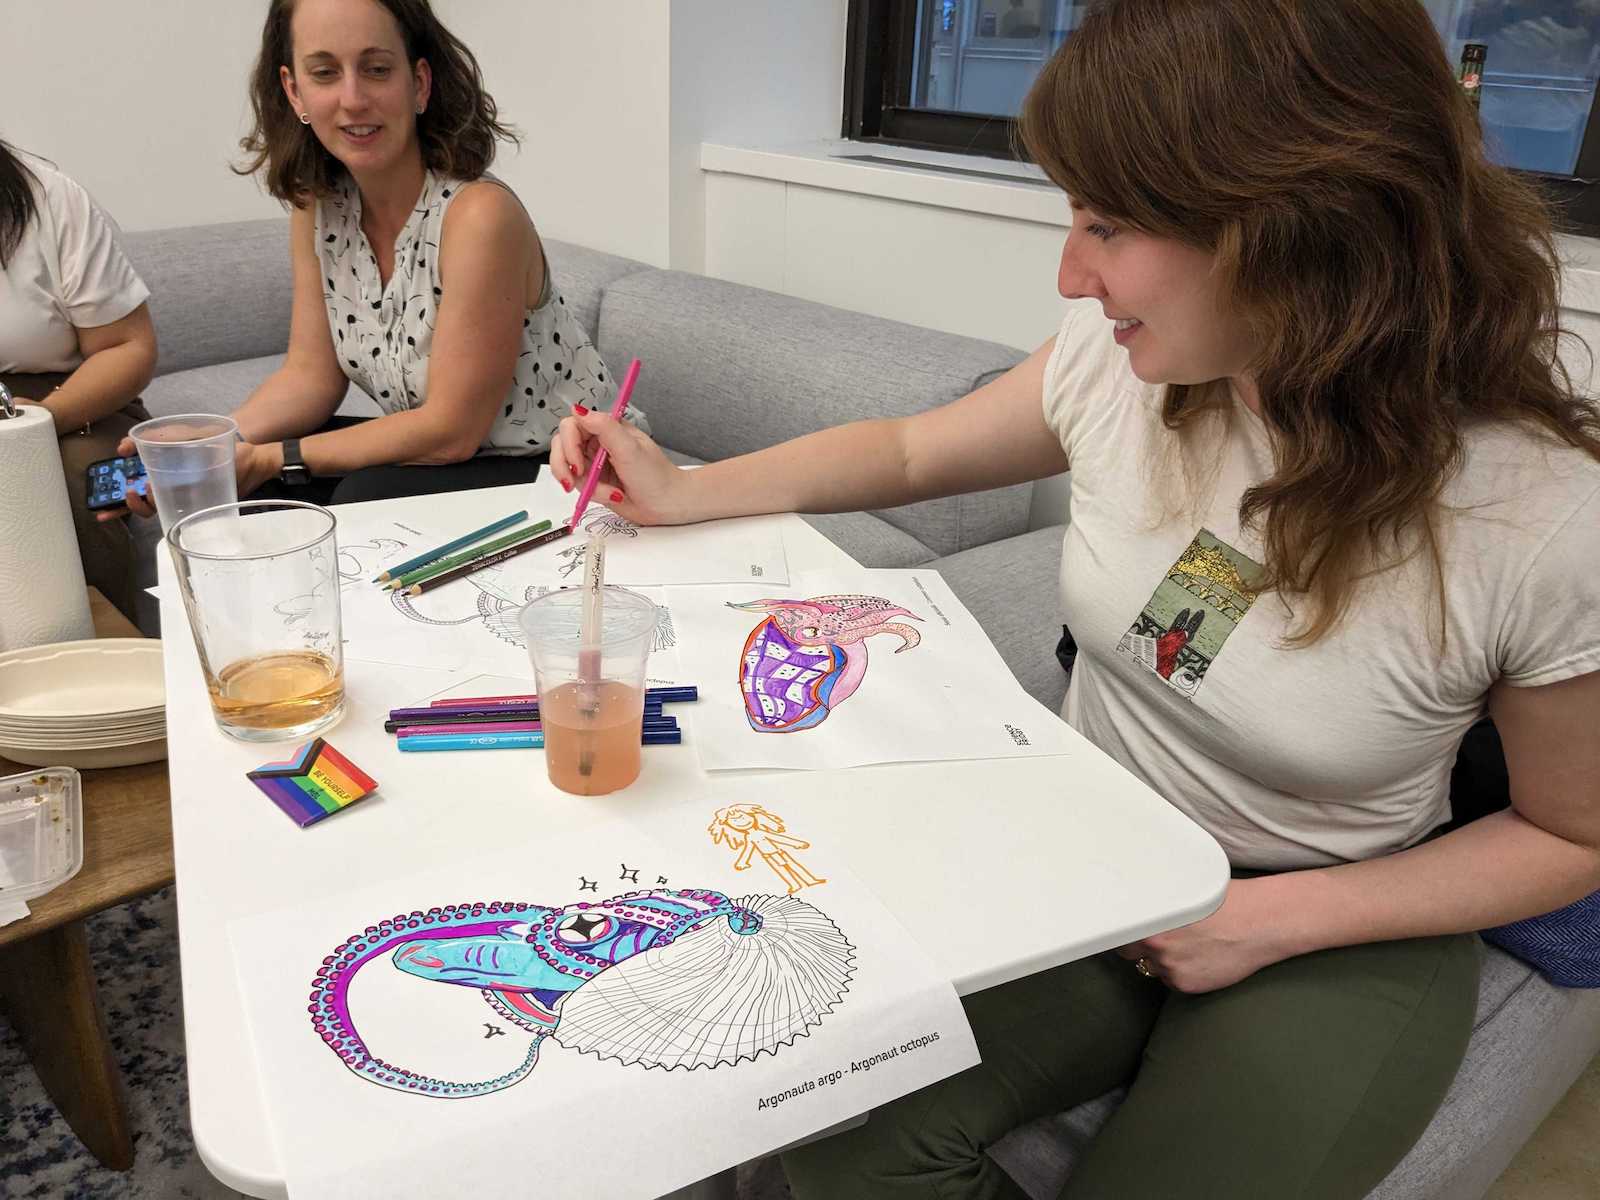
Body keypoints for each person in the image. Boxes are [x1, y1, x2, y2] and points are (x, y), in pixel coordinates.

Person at [550, 1, 1600, 1195]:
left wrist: (1271, 920)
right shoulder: (1122, 360)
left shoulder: (1543, 518)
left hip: (1333, 914)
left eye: (1106, 222)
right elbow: (905, 454)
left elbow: (1572, 837)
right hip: (1095, 843)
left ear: (1299, 223)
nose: (1067, 270)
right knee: (844, 1128)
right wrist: (682, 492)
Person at [124, 0, 621, 518]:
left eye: (377, 69)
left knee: (352, 497)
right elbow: (310, 376)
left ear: (420, 83)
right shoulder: (318, 206)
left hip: (563, 468)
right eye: (325, 73)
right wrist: (210, 444)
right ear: (295, 91)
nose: (353, 99)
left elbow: (452, 431)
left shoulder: (479, 216)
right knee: (251, 491)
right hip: (450, 464)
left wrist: (272, 458)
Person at [0, 139, 158, 621]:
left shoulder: (49, 198)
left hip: (70, 399)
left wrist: (37, 420)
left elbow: (127, 348)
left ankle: (100, 667)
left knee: (58, 484)